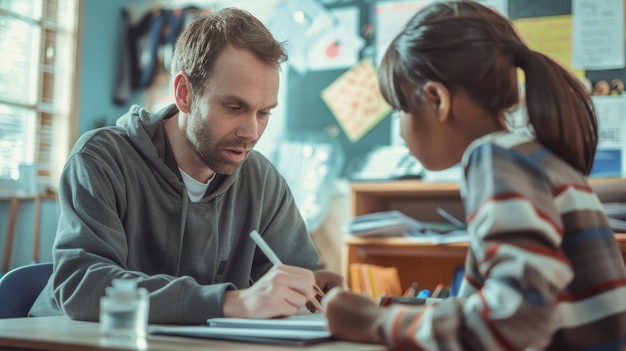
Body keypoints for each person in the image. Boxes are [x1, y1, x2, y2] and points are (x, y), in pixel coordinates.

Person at [323, 1, 626, 350]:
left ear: (437, 99)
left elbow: (515, 319)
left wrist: (375, 323)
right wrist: (390, 309)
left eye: (400, 110)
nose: (401, 129)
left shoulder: (496, 158)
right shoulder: (537, 160)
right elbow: (491, 306)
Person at [29, 7, 343, 324]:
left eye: (264, 113)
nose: (252, 132)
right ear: (184, 94)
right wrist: (230, 302)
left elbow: (291, 277)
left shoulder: (262, 181)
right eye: (235, 107)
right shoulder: (102, 159)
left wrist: (311, 287)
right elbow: (83, 286)